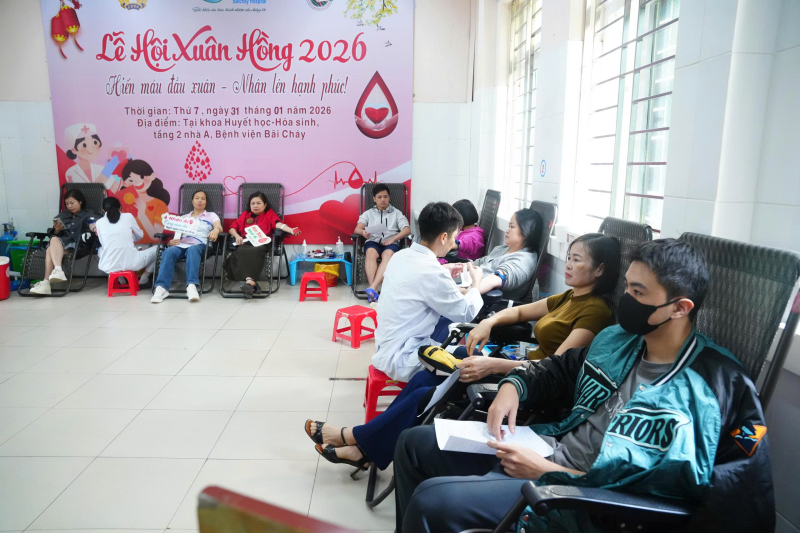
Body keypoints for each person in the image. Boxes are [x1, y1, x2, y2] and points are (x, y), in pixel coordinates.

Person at [393, 239, 774, 533]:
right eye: (627, 288)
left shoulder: (716, 387)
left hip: (585, 499)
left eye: (639, 293)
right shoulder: (617, 340)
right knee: (414, 444)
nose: (627, 301)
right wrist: (513, 386)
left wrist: (546, 472)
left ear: (680, 308)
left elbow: (688, 494)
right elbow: (558, 369)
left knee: (433, 502)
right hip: (546, 449)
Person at [304, 233, 620, 475]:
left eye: (577, 259)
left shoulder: (594, 312)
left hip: (534, 386)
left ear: (600, 269)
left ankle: (356, 440)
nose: (568, 264)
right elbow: (519, 312)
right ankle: (363, 447)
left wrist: (491, 364)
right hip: (518, 366)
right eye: (568, 257)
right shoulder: (569, 297)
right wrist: (489, 323)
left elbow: (554, 368)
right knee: (423, 378)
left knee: (428, 393)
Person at [151, 190, 223, 303]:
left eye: (203, 199)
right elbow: (176, 235)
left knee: (192, 250)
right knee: (168, 251)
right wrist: (171, 243)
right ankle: (161, 288)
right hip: (182, 245)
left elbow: (218, 226)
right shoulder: (183, 218)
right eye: (197, 198)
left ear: (206, 202)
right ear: (192, 201)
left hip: (200, 245)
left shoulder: (211, 215)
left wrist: (216, 230)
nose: (200, 201)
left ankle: (191, 286)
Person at [225, 191, 300, 297]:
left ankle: (250, 282)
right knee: (239, 250)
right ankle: (250, 282)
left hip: (262, 243)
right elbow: (232, 228)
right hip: (246, 242)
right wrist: (237, 236)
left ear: (265, 205)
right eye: (253, 203)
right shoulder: (245, 215)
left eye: (258, 203)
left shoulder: (269, 214)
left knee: (256, 250)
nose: (255, 206)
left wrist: (291, 230)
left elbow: (279, 224)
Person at [30, 189, 97, 295]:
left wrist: (92, 227)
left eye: (72, 203)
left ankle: (47, 281)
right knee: (52, 243)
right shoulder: (63, 215)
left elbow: (93, 224)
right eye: (67, 204)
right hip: (63, 245)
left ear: (80, 202)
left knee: (50, 248)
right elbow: (55, 234)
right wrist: (56, 230)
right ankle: (54, 274)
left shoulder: (88, 214)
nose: (69, 206)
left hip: (78, 246)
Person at [353, 184, 411, 302]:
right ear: (374, 199)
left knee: (387, 255)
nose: (383, 199)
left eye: (385, 196)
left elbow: (407, 230)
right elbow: (357, 229)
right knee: (370, 253)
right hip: (373, 241)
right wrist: (363, 232)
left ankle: (372, 288)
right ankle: (373, 289)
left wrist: (393, 239)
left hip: (390, 242)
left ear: (389, 197)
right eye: (379, 197)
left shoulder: (396, 213)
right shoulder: (368, 213)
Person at [94, 197, 158, 287]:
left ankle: (121, 280)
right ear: (120, 208)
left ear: (103, 210)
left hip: (109, 265)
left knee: (100, 250)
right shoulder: (128, 216)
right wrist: (131, 238)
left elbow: (104, 244)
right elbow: (140, 235)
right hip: (132, 263)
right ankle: (144, 279)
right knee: (159, 248)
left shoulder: (99, 222)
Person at [117, 159, 170, 244]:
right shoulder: (121, 204)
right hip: (128, 247)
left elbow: (156, 237)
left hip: (151, 247)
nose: (137, 182)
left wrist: (142, 216)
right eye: (131, 180)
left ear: (152, 176)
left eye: (141, 177)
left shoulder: (160, 205)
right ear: (124, 183)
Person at [63, 123, 121, 191]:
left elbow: (112, 188)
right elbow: (91, 191)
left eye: (95, 142)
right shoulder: (71, 172)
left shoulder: (100, 168)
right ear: (74, 150)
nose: (92, 148)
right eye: (84, 145)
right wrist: (107, 171)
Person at [439, 199, 485, 264]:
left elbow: (466, 244)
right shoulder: (463, 230)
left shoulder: (476, 236)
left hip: (462, 264)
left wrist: (449, 243)